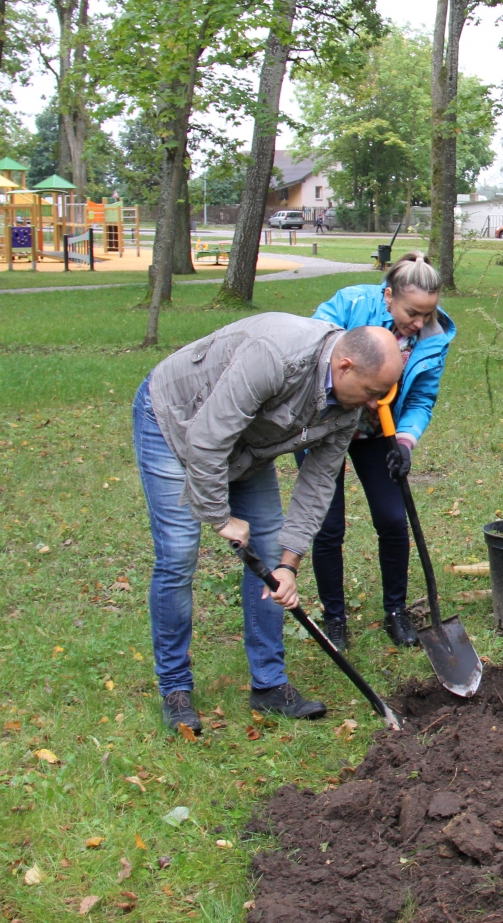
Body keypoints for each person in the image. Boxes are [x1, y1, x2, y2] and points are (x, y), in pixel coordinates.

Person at [134, 313, 403, 735]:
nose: (375, 405)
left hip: (249, 442)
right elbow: (206, 439)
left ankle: (270, 686)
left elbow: (317, 486)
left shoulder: (349, 408)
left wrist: (288, 564)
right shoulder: (276, 356)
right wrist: (219, 517)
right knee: (179, 553)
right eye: (372, 392)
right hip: (174, 419)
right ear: (345, 366)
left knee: (265, 545)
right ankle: (175, 688)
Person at [310, 253, 455, 650]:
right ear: (388, 295)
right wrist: (356, 394)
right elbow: (313, 354)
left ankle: (396, 611)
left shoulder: (433, 337)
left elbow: (422, 398)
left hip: (378, 435)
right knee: (328, 525)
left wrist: (405, 442)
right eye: (413, 312)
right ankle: (334, 618)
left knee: (393, 520)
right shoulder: (351, 304)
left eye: (428, 313)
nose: (420, 322)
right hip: (323, 430)